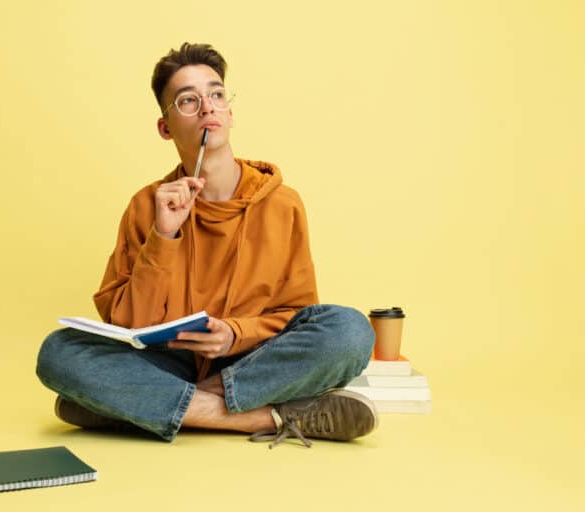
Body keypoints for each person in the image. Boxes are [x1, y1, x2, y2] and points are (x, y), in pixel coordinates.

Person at [36, 42, 377, 448]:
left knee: (350, 331)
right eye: (187, 100)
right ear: (165, 128)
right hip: (168, 362)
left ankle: (134, 406)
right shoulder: (148, 205)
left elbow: (298, 314)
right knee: (58, 352)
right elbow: (127, 325)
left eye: (216, 95)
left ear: (230, 113)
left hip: (252, 360)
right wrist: (163, 238)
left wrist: (235, 333)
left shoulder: (283, 204)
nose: (207, 108)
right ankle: (263, 416)